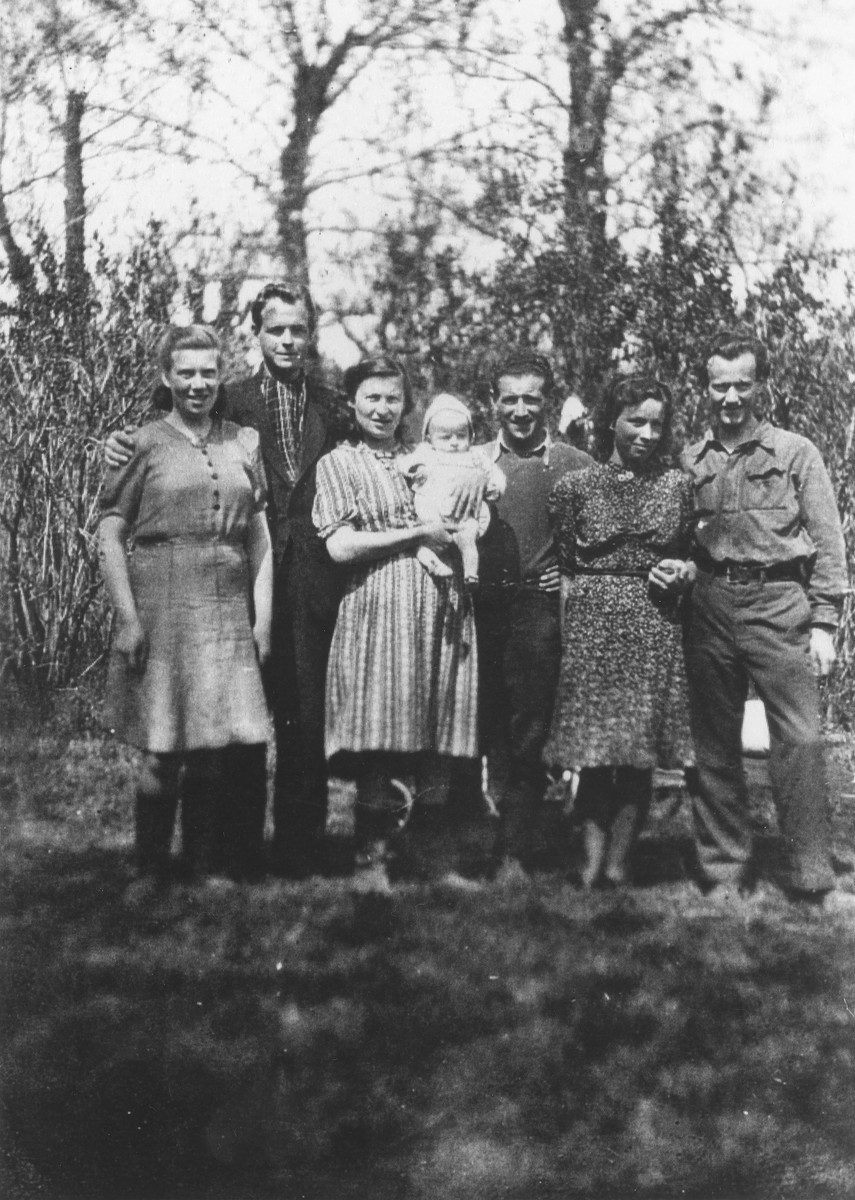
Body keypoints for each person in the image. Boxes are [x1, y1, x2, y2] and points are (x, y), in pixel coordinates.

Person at [105, 283, 346, 877]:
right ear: (257, 335)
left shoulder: (326, 407)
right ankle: (207, 857)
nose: (288, 340)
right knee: (200, 732)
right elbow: (157, 440)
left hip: (292, 586)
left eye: (298, 329)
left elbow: (375, 448)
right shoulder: (223, 404)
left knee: (276, 725)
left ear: (311, 332)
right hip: (200, 591)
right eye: (276, 329)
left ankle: (282, 855)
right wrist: (120, 442)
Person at [99, 325, 272, 885]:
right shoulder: (142, 442)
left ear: (221, 377)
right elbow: (109, 533)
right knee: (160, 747)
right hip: (162, 597)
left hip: (225, 604)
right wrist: (127, 616)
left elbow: (259, 536)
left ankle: (201, 865)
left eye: (208, 373)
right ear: (167, 377)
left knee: (212, 746)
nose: (198, 384)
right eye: (186, 373)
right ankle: (148, 868)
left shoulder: (243, 441)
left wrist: (262, 619)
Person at [682, 327, 849, 905]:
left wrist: (826, 623)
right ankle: (723, 872)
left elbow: (829, 543)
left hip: (780, 605)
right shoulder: (690, 460)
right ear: (705, 387)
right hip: (707, 605)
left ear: (762, 387)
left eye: (742, 386)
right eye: (719, 386)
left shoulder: (795, 452)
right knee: (713, 743)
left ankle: (811, 878)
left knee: (799, 741)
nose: (731, 398)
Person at [312, 356, 479, 892]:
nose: (383, 409)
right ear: (352, 403)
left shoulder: (427, 456)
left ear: (407, 405)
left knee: (438, 734)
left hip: (442, 604)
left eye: (393, 399)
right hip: (378, 605)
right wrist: (413, 536)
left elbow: (471, 494)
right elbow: (340, 546)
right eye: (372, 398)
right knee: (380, 736)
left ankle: (432, 857)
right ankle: (373, 860)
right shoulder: (339, 464)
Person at [543, 376, 695, 888]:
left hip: (653, 622)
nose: (648, 434)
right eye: (637, 421)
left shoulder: (677, 485)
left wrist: (677, 571)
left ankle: (618, 864)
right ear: (612, 420)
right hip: (591, 624)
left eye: (657, 423)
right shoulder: (574, 488)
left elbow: (688, 556)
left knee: (636, 753)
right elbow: (567, 565)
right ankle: (589, 863)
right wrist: (569, 636)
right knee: (591, 750)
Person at [474, 350, 593, 883]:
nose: (520, 410)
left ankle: (516, 849)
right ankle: (475, 839)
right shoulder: (473, 461)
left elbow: (602, 537)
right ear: (492, 403)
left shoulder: (575, 464)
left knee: (530, 728)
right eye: (510, 399)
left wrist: (567, 568)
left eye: (531, 398)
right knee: (481, 723)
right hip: (478, 609)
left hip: (539, 610)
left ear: (547, 400)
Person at [398, 392, 505, 587]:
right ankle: (429, 557)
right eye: (445, 437)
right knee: (430, 537)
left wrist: (494, 487)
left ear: (471, 435)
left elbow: (495, 474)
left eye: (461, 435)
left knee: (469, 537)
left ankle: (471, 572)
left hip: (466, 514)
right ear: (429, 438)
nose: (454, 442)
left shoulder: (475, 456)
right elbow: (405, 463)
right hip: (434, 510)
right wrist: (417, 469)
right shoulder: (426, 452)